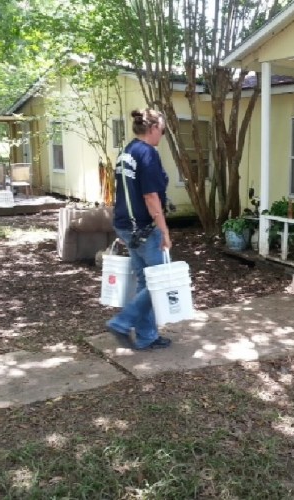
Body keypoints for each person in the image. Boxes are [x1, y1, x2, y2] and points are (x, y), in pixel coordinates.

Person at [105, 109, 173, 351]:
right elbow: (150, 196)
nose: (162, 136)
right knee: (160, 281)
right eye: (162, 131)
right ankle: (122, 322)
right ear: (153, 129)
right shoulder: (147, 154)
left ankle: (147, 336)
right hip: (144, 229)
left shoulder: (127, 152)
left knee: (146, 281)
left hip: (125, 226)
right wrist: (164, 231)